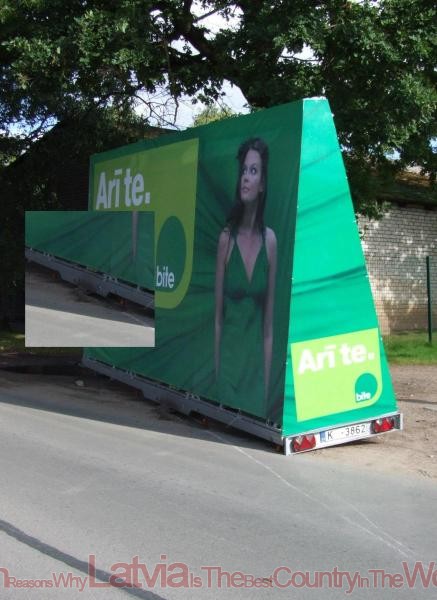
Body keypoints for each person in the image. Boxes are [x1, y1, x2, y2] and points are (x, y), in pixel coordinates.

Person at [215, 138, 277, 414]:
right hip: (228, 375)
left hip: (255, 378)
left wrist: (265, 391)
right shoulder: (226, 239)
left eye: (254, 171)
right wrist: (217, 377)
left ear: (262, 183)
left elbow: (268, 329)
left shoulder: (270, 241)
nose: (246, 178)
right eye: (243, 171)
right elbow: (218, 320)